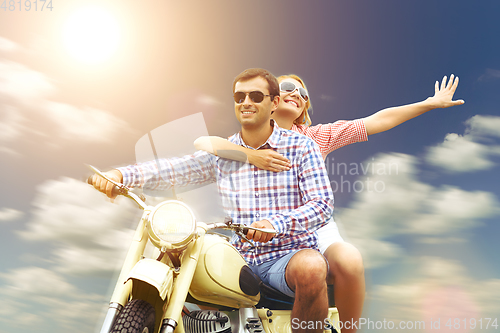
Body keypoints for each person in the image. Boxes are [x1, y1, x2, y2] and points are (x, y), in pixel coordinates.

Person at [194, 73, 465, 332]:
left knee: (350, 261)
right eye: (288, 86)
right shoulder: (249, 137)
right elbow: (205, 141)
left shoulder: (316, 137)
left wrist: (429, 104)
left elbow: (377, 120)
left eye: (303, 93)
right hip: (261, 231)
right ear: (272, 99)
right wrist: (250, 156)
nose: (297, 94)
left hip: (310, 227)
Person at [90, 68, 335, 333]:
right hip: (238, 257)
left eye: (255, 96)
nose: (246, 102)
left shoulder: (302, 147)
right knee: (175, 259)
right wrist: (122, 175)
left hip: (285, 258)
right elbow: (174, 169)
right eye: (239, 97)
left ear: (274, 102)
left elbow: (321, 204)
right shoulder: (224, 153)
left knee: (311, 266)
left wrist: (275, 224)